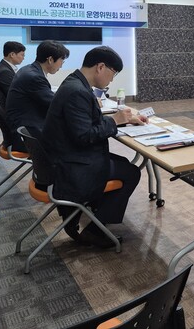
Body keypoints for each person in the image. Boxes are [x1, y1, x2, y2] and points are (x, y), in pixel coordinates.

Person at [41, 46, 145, 248]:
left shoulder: (74, 83)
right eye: (113, 73)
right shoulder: (77, 91)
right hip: (70, 168)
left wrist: (123, 120)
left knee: (122, 163)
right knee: (131, 172)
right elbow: (84, 135)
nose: (112, 80)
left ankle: (92, 211)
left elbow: (85, 124)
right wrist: (115, 120)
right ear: (101, 67)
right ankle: (95, 231)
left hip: (64, 158)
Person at [5, 40, 69, 151]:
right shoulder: (34, 77)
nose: (62, 65)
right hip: (27, 135)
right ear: (50, 60)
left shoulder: (29, 69)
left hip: (24, 126)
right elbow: (55, 105)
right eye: (61, 60)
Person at [0, 41, 26, 108]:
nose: (23, 58)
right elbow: (16, 95)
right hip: (14, 110)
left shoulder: (4, 67)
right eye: (22, 55)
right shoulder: (4, 72)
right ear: (12, 54)